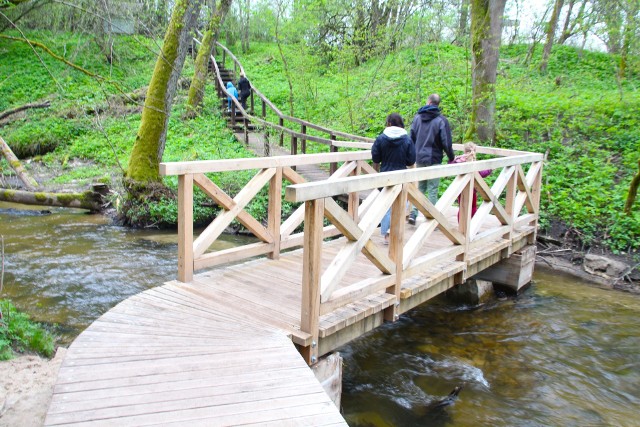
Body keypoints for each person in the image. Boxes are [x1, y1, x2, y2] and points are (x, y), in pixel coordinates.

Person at [408, 93, 455, 225]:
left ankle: (414, 213)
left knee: (420, 187)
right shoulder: (441, 120)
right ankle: (431, 218)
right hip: (434, 158)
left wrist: (410, 155)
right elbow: (446, 142)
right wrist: (451, 157)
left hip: (419, 157)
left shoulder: (417, 118)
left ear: (428, 102)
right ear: (438, 104)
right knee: (433, 189)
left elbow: (411, 137)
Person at [371, 113, 416, 244]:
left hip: (385, 176)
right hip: (401, 177)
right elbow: (410, 160)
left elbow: (375, 158)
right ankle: (395, 232)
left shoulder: (381, 139)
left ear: (389, 123)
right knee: (402, 204)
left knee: (386, 206)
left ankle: (386, 235)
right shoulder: (407, 140)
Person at [452, 142, 492, 219]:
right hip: (472, 188)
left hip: (461, 188)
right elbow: (481, 173)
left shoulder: (460, 160)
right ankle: (471, 225)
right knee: (473, 207)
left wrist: (455, 159)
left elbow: (451, 165)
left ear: (464, 151)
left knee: (462, 207)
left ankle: (462, 227)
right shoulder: (473, 162)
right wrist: (489, 170)